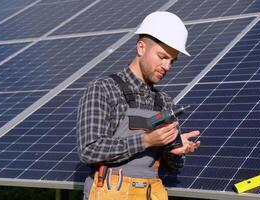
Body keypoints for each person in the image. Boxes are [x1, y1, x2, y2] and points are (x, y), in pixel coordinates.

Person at [77, 11, 200, 200]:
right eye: (162, 56)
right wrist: (147, 140)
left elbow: (172, 167)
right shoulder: (103, 89)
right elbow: (89, 149)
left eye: (172, 61)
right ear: (141, 48)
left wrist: (175, 152)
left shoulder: (165, 102)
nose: (167, 66)